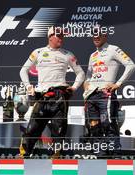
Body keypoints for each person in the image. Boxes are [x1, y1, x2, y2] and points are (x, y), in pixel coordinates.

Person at [19, 26, 85, 158]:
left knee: (59, 131)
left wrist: (74, 88)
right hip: (42, 96)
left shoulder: (68, 54)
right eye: (58, 35)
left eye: (62, 36)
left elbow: (81, 73)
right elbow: (23, 70)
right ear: (50, 37)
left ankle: (55, 159)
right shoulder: (38, 52)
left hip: (59, 96)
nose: (61, 38)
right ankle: (23, 157)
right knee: (32, 129)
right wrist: (28, 86)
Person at [83, 26, 135, 153]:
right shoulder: (93, 55)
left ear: (105, 35)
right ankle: (99, 154)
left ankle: (115, 154)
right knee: (93, 126)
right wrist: (86, 85)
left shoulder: (113, 49)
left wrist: (118, 84)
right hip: (91, 95)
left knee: (109, 124)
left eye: (99, 34)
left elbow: (131, 66)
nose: (96, 37)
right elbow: (88, 75)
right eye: (93, 34)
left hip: (105, 94)